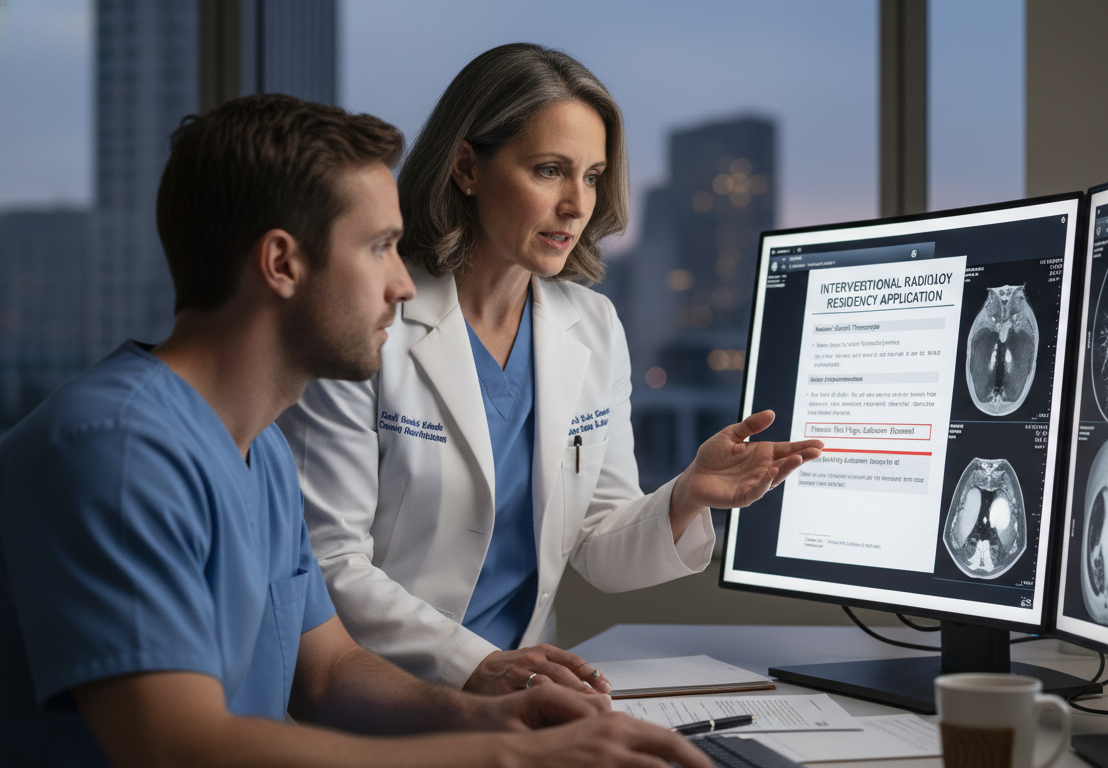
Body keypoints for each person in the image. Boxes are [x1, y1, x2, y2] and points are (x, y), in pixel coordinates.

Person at [0, 93, 711, 768]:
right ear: (282, 263)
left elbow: (331, 671)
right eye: (380, 248)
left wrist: (493, 717)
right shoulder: (116, 453)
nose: (404, 286)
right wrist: (509, 756)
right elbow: (178, 751)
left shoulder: (262, 454)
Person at [278, 43, 823, 696]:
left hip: (519, 696)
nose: (576, 204)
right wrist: (472, 663)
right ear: (466, 167)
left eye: (592, 176)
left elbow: (598, 546)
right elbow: (327, 561)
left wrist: (688, 495)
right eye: (549, 170)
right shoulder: (369, 322)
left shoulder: (592, 325)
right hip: (383, 698)